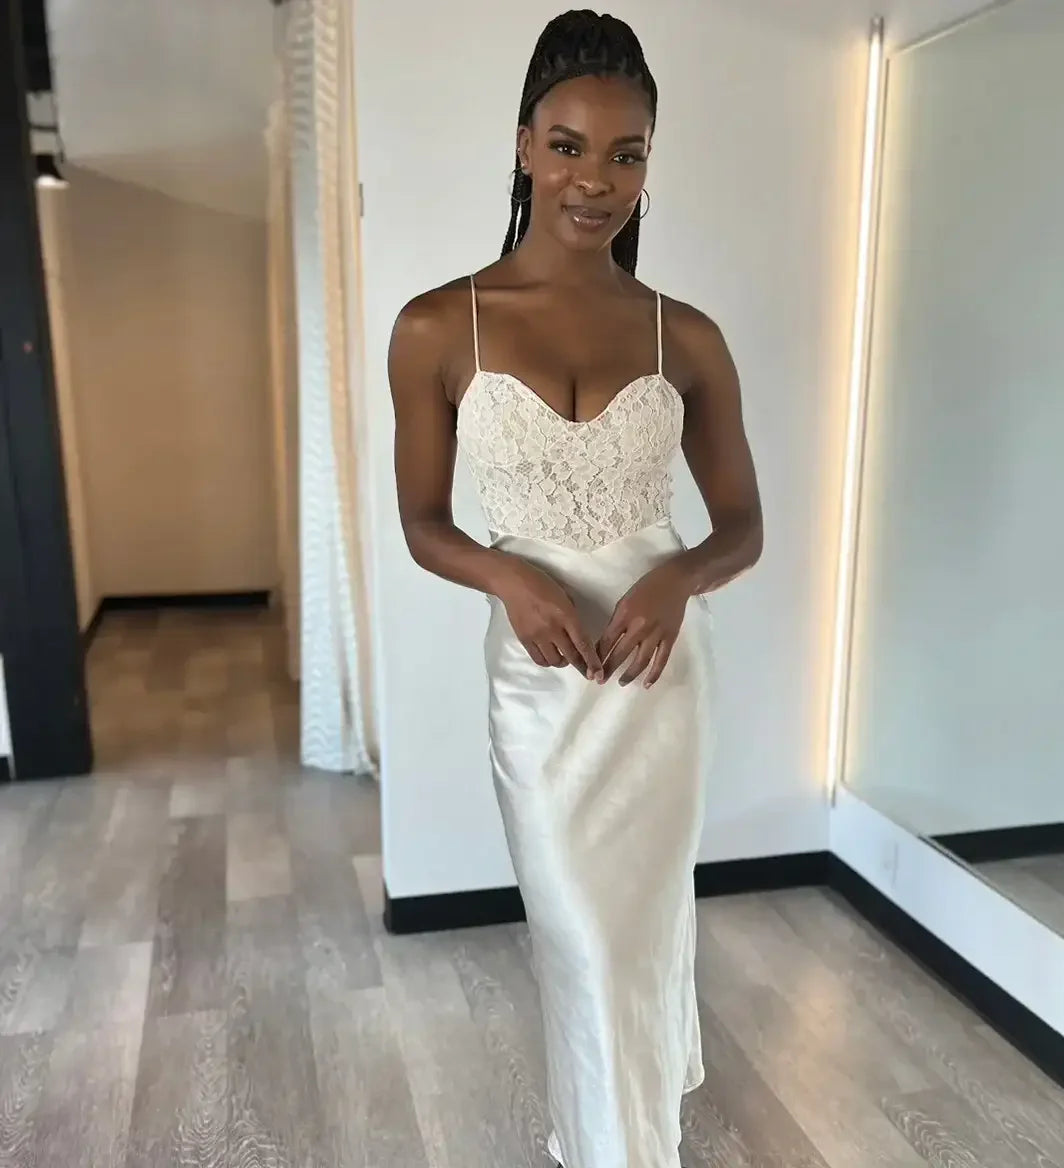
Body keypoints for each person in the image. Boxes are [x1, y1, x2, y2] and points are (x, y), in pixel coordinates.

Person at [388, 10, 762, 1166]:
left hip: (658, 681)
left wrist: (682, 576)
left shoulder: (684, 335)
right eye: (567, 147)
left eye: (625, 153)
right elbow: (422, 523)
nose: (594, 180)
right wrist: (505, 573)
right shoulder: (437, 325)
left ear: (648, 165)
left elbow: (744, 526)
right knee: (584, 948)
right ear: (523, 146)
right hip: (543, 688)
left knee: (639, 938)